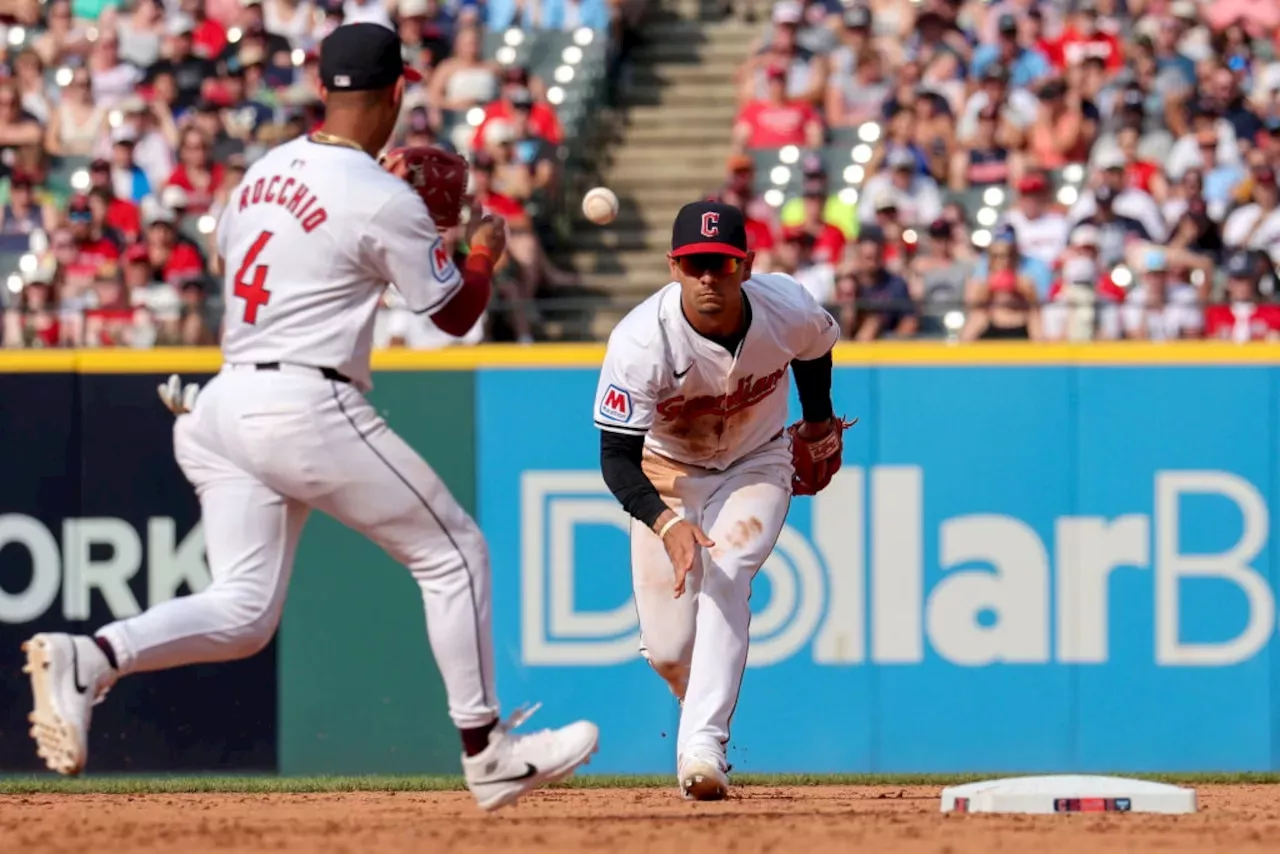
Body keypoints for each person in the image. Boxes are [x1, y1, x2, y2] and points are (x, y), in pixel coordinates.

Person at [22, 22, 598, 812]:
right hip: (302, 400)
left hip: (223, 402)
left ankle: (90, 656)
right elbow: (456, 314)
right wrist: (482, 251)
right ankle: (488, 751)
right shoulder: (381, 196)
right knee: (454, 551)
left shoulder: (261, 171)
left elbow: (256, 256)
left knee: (245, 610)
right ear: (398, 93)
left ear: (323, 89)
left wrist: (382, 219)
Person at [593, 200, 845, 800]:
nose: (708, 277)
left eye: (721, 264)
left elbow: (815, 351)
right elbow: (615, 458)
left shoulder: (785, 306)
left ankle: (703, 749)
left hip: (756, 461)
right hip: (663, 474)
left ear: (746, 265)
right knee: (669, 650)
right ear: (673, 267)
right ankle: (698, 701)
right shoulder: (639, 342)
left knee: (728, 571)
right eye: (694, 264)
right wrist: (662, 522)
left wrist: (817, 423)